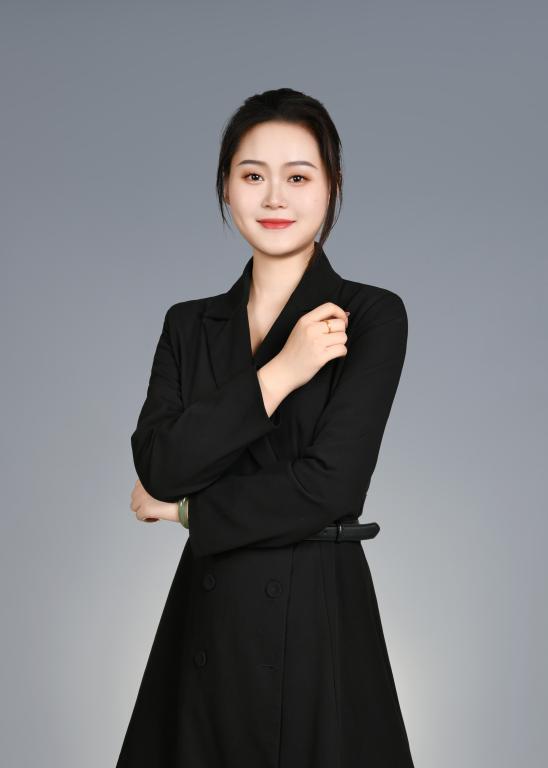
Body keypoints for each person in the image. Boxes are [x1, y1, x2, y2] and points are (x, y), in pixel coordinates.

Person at [117, 87, 416, 767]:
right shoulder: (188, 325)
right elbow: (160, 464)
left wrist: (188, 510)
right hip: (207, 620)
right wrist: (282, 372)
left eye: (298, 177)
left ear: (332, 187)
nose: (274, 197)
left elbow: (331, 487)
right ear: (226, 186)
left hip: (317, 618)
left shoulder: (371, 316)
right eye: (253, 176)